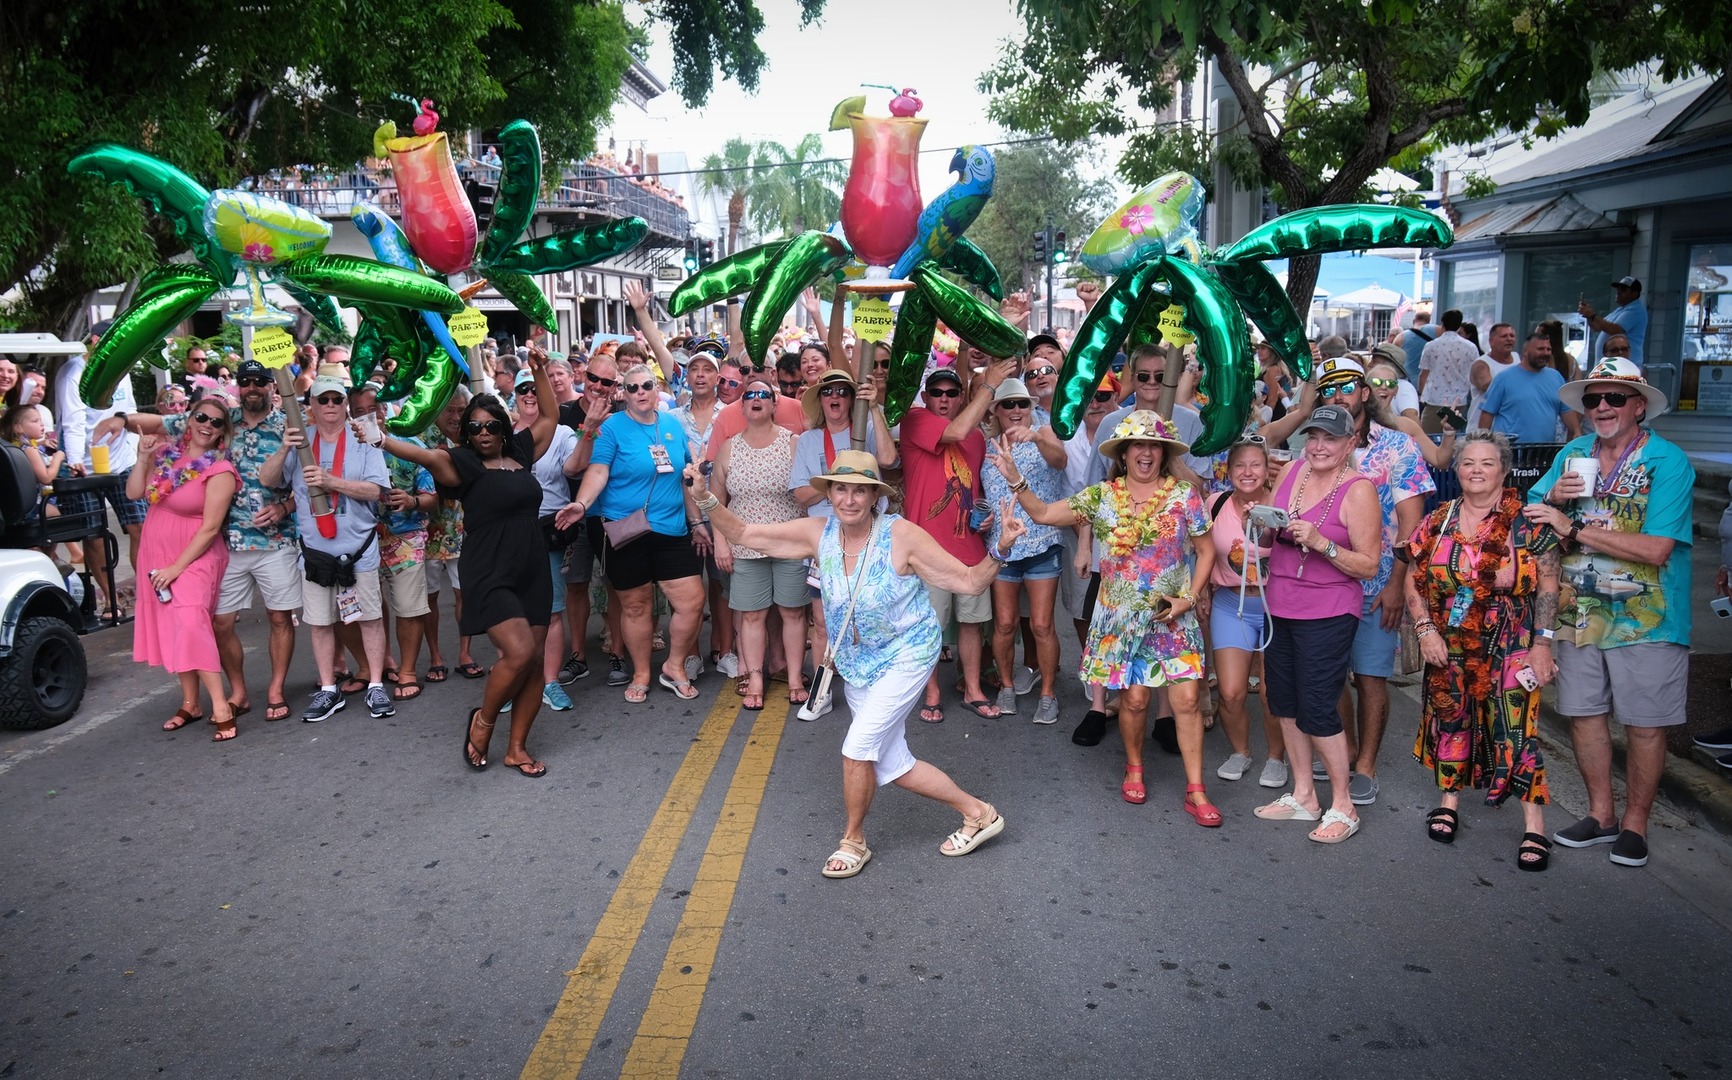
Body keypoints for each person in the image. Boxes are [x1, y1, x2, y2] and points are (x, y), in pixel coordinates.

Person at [686, 450, 1012, 879]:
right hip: (857, 661)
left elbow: (969, 580)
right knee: (891, 764)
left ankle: (853, 841)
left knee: (857, 749)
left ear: (875, 496)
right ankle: (979, 813)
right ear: (830, 493)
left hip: (907, 653)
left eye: (861, 491)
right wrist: (707, 498)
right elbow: (747, 532)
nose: (850, 499)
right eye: (842, 489)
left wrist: (1001, 548)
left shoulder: (903, 536)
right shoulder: (818, 532)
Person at [994, 411, 1219, 824]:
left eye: (1154, 445)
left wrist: (1188, 596)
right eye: (1138, 445)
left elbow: (1207, 551)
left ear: (1164, 452)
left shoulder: (1184, 495)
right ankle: (1134, 767)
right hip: (1120, 619)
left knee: (1187, 699)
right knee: (1133, 700)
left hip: (1172, 615)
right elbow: (1043, 513)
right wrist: (1015, 479)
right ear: (1125, 452)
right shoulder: (1102, 496)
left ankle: (1196, 788)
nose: (1146, 453)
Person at [1524, 358, 1694, 868]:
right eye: (1593, 399)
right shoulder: (1574, 453)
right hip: (1579, 612)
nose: (1601, 407)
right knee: (1584, 715)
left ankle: (1635, 823)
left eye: (1615, 398)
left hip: (1648, 614)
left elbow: (1657, 548)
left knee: (1644, 724)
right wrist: (1553, 495)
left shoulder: (1667, 462)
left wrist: (1571, 528)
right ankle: (1601, 815)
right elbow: (1535, 516)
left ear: (1639, 406)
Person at [377, 350, 561, 777]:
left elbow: (550, 417)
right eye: (473, 427)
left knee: (534, 661)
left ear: (503, 427)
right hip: (489, 570)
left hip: (531, 566)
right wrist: (380, 438)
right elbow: (424, 457)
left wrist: (537, 370)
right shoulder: (460, 463)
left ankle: (517, 748)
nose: (482, 433)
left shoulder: (521, 451)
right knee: (517, 653)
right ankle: (483, 720)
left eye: (490, 425)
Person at [99, 359, 302, 721]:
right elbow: (157, 423)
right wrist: (119, 419)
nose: (252, 387)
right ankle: (238, 690)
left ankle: (275, 689)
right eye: (246, 381)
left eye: (260, 381)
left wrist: (286, 507)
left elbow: (308, 481)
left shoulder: (290, 424)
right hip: (229, 540)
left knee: (279, 617)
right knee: (220, 624)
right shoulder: (222, 418)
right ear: (238, 385)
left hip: (275, 537)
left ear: (272, 386)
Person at [1403, 431, 1560, 869]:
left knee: (1517, 726)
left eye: (1487, 463)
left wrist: (1542, 645)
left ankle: (1534, 827)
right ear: (1457, 470)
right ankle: (1448, 803)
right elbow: (1413, 579)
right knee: (1450, 717)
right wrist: (1424, 629)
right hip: (1448, 637)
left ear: (1504, 471)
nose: (1476, 470)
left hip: (1513, 640)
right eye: (1468, 462)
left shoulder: (1529, 522)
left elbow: (1548, 587)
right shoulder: (1438, 519)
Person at [1251, 405, 1382, 843]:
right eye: (1313, 437)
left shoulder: (1359, 489)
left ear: (1350, 444)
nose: (1319, 446)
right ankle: (1304, 794)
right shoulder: (1292, 473)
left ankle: (1343, 804)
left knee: (1318, 704)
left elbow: (1367, 565)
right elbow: (1271, 534)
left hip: (1328, 610)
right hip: (1281, 602)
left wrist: (1323, 544)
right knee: (1283, 700)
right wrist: (1262, 524)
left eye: (1330, 439)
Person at [1318, 356, 1435, 807]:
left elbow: (1412, 524)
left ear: (1365, 392)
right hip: (1327, 584)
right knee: (1330, 677)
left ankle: (1365, 764)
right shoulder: (1318, 445)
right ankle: (1343, 750)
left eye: (1347, 386)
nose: (1338, 395)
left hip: (1378, 584)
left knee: (1369, 677)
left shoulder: (1398, 446)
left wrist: (1396, 586)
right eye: (1328, 388)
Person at [561, 362, 710, 703]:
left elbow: (684, 479)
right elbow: (597, 471)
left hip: (671, 529)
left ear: (657, 390)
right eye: (633, 388)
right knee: (636, 606)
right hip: (625, 529)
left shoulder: (671, 426)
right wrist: (582, 505)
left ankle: (673, 666)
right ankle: (642, 671)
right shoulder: (612, 428)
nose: (641, 393)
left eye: (646, 386)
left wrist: (697, 522)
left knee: (691, 601)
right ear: (623, 394)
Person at [263, 375, 393, 723]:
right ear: (312, 406)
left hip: (358, 547)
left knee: (370, 618)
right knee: (320, 623)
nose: (332, 406)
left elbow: (376, 490)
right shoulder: (300, 440)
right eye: (324, 400)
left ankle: (376, 684)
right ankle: (327, 689)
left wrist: (331, 481)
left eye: (338, 399)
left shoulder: (362, 439)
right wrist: (284, 449)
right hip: (316, 550)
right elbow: (268, 480)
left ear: (345, 404)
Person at [128, 400, 239, 740]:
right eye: (201, 417)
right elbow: (135, 493)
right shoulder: (165, 455)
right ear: (188, 420)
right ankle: (190, 703)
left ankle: (220, 705)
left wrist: (177, 567)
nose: (208, 425)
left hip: (195, 554)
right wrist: (143, 458)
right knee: (175, 624)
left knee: (191, 621)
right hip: (156, 549)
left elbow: (210, 528)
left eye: (217, 423)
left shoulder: (220, 470)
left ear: (223, 432)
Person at [901, 364, 1005, 719]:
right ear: (927, 397)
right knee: (929, 626)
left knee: (972, 623)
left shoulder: (977, 439)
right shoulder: (915, 421)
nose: (944, 399)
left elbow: (975, 489)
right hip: (927, 549)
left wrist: (986, 516)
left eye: (951, 393)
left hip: (969, 546)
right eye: (937, 393)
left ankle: (972, 689)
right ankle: (930, 691)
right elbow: (957, 428)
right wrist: (989, 385)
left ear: (961, 397)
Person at [711, 375, 807, 710]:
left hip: (789, 543)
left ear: (774, 403)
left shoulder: (793, 443)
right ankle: (754, 677)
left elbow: (808, 496)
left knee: (793, 612)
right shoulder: (729, 448)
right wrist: (721, 543)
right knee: (751, 616)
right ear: (742, 404)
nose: (756, 399)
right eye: (749, 394)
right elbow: (715, 504)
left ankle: (795, 677)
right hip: (745, 548)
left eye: (763, 394)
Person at [979, 378, 1067, 724]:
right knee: (1004, 624)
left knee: (1042, 625)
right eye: (1008, 404)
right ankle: (1005, 686)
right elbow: (980, 492)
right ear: (996, 411)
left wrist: (1037, 437)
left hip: (1042, 542)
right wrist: (983, 517)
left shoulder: (1044, 433)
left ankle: (1048, 693)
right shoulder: (985, 446)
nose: (1016, 410)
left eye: (1022, 404)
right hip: (1003, 548)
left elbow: (1060, 461)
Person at [1205, 437, 1286, 788]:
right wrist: (1200, 590)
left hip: (1278, 606)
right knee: (1231, 692)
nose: (1248, 472)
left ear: (1268, 469)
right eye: (1240, 465)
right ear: (1228, 470)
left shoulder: (1282, 504)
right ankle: (1241, 751)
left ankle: (1276, 757)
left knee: (1273, 692)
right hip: (1229, 604)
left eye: (1256, 464)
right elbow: (1202, 550)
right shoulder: (1215, 502)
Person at [56, 325, 147, 615]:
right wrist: (74, 460)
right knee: (94, 535)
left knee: (140, 527)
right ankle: (110, 600)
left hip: (121, 463)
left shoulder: (122, 370)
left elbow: (128, 411)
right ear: (96, 342)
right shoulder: (73, 374)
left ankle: (147, 596)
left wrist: (135, 452)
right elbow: (72, 421)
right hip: (83, 465)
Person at [510, 366, 581, 712]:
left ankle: (549, 681)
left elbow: (574, 467)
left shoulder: (563, 433)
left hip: (547, 530)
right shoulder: (501, 432)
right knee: (510, 612)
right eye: (523, 388)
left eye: (536, 389)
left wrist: (592, 430)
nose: (529, 395)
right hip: (508, 533)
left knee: (552, 612)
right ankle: (514, 681)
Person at [422, 386, 474, 683]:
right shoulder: (422, 436)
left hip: (464, 527)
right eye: (450, 410)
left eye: (461, 410)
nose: (456, 416)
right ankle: (435, 656)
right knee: (428, 597)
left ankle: (465, 653)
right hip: (426, 529)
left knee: (463, 593)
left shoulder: (474, 434)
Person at [1478, 329, 1582, 444]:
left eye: (1548, 349)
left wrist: (1577, 431)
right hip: (1509, 449)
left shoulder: (1556, 377)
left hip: (1543, 451)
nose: (1546, 353)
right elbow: (1487, 413)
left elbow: (1566, 411)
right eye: (1540, 349)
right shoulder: (1504, 378)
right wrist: (1483, 443)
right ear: (1526, 351)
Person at [1416, 309, 1478, 433]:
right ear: (1459, 324)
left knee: (1428, 437)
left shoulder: (1431, 346)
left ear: (1442, 323)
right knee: (1452, 437)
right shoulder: (1470, 347)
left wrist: (1421, 394)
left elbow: (1424, 375)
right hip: (1459, 400)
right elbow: (1474, 373)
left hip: (1434, 400)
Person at [1579, 276, 1648, 368]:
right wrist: (1588, 316)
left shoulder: (1635, 310)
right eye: (1618, 289)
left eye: (1623, 290)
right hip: (1612, 366)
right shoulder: (1621, 310)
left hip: (1626, 366)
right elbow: (1598, 327)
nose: (1618, 292)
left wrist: (1592, 315)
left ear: (1634, 293)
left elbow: (1615, 330)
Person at [1467, 323, 1519, 430]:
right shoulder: (1481, 364)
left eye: (1512, 336)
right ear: (1491, 342)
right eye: (1504, 336)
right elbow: (1489, 387)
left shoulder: (1517, 357)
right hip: (1481, 430)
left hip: (1509, 429)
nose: (1509, 339)